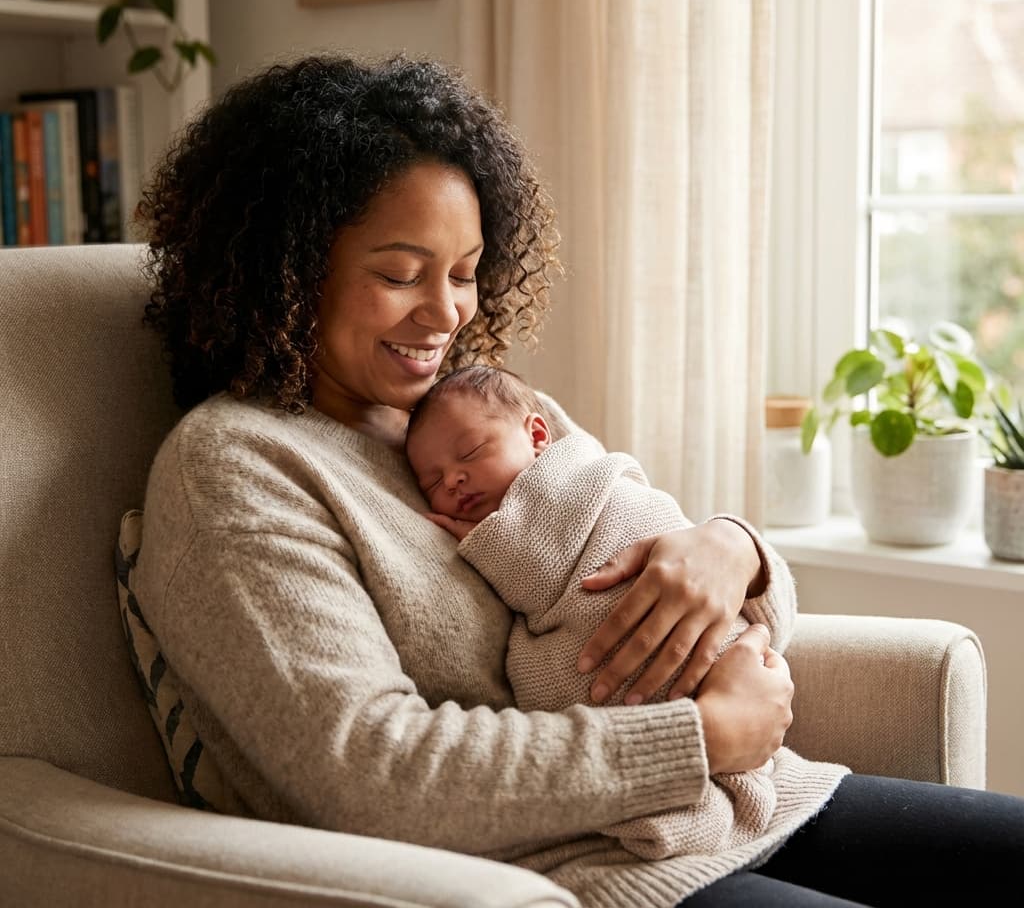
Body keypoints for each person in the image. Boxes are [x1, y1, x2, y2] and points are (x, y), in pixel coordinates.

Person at [133, 52, 1024, 908]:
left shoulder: (470, 409)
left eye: (466, 273)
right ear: (289, 269)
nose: (445, 313)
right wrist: (700, 738)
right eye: (400, 274)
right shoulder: (236, 468)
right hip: (585, 872)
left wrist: (733, 553)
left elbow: (648, 546)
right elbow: (374, 771)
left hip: (751, 806)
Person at [404, 364, 839, 862]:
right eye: (432, 481)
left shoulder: (570, 474)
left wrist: (737, 547)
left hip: (756, 727)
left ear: (539, 436)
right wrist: (711, 731)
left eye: (471, 453)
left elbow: (553, 557)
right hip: (634, 782)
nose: (454, 479)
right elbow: (543, 583)